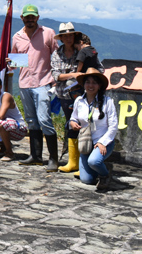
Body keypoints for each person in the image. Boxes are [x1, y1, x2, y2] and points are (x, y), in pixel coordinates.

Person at [9, 4, 59, 171]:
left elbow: (57, 56)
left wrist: (56, 79)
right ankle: (36, 156)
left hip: (43, 82)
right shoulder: (16, 37)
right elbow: (14, 62)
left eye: (33, 17)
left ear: (37, 17)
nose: (30, 20)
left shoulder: (48, 33)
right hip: (24, 83)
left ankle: (53, 158)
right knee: (31, 120)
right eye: (27, 17)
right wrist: (10, 63)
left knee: (44, 120)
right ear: (22, 18)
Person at [70, 68, 118, 190]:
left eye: (94, 82)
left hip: (102, 141)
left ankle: (105, 174)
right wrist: (73, 122)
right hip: (86, 142)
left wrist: (103, 142)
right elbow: (74, 117)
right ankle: (102, 166)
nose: (90, 85)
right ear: (84, 84)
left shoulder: (108, 102)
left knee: (94, 161)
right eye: (88, 82)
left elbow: (113, 126)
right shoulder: (79, 101)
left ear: (99, 85)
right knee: (87, 180)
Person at [50, 22, 83, 173]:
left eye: (71, 35)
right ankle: (73, 161)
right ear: (61, 38)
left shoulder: (81, 52)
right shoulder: (56, 54)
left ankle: (82, 162)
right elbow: (56, 76)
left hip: (82, 95)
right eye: (65, 36)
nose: (68, 38)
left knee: (83, 125)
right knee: (71, 124)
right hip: (64, 95)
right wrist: (74, 75)